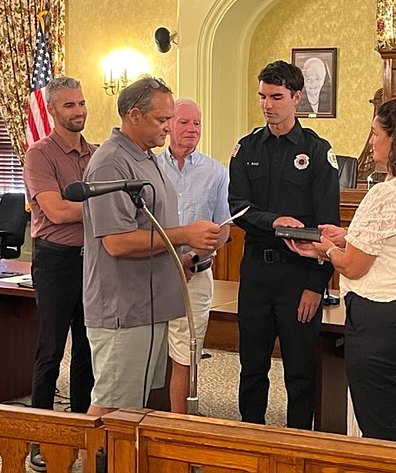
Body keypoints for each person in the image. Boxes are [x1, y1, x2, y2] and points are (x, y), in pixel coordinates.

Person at [287, 95, 396, 443]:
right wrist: (350, 235)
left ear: (395, 139)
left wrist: (327, 249)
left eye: (375, 134)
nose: (371, 142)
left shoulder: (386, 194)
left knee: (379, 427)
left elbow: (352, 266)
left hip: (382, 320)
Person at [82, 76, 221, 419]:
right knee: (110, 403)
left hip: (152, 302)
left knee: (132, 403)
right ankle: (80, 462)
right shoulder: (111, 163)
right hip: (124, 307)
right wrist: (184, 235)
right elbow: (116, 241)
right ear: (133, 115)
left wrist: (181, 258)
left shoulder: (146, 157)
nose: (168, 127)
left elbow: (153, 226)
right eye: (162, 120)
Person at [228, 60, 340, 430]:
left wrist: (315, 285)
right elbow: (238, 209)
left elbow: (329, 226)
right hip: (258, 271)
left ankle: (298, 447)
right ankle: (251, 439)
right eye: (262, 96)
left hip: (299, 275)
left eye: (276, 97)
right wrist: (272, 221)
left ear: (296, 97)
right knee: (252, 366)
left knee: (301, 372)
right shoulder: (246, 149)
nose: (267, 105)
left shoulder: (317, 151)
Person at [23, 76, 96, 472]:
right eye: (69, 105)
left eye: (81, 103)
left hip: (95, 261)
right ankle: (42, 435)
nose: (79, 111)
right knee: (50, 350)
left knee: (88, 349)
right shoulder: (40, 154)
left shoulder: (97, 153)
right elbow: (56, 211)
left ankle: (83, 429)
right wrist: (104, 209)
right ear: (52, 110)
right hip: (56, 261)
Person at [160, 98, 230, 413]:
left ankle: (178, 427)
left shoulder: (216, 172)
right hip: (152, 273)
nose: (192, 129)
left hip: (196, 274)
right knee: (146, 351)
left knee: (185, 353)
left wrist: (194, 257)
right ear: (168, 124)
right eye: (184, 122)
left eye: (197, 123)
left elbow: (224, 227)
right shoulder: (149, 166)